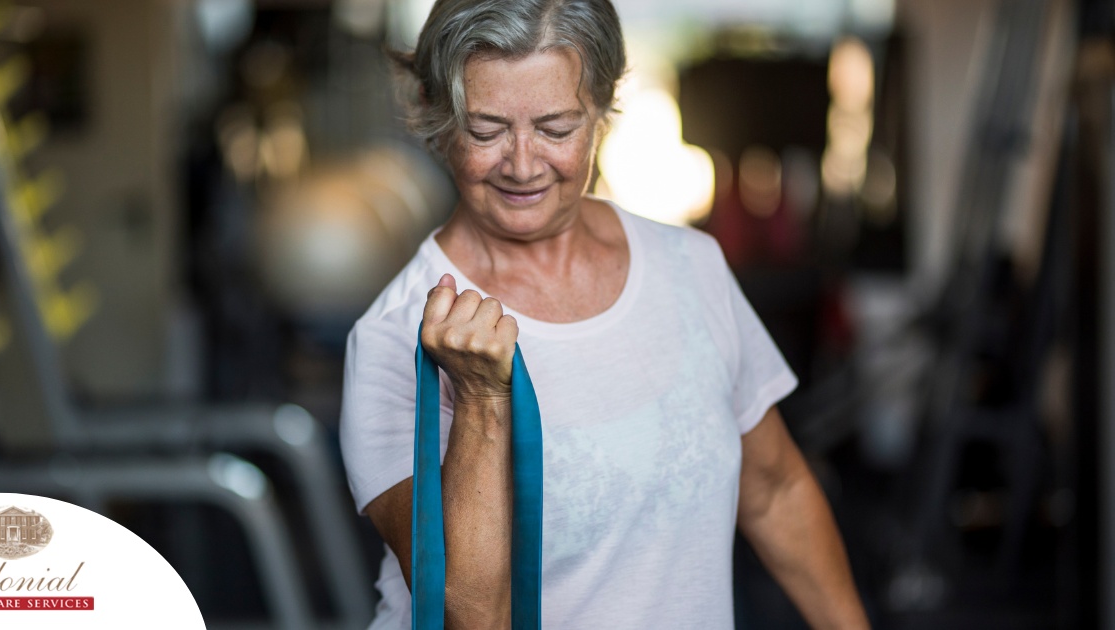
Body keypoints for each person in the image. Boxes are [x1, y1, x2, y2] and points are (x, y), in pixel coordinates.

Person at [339, 0, 870, 627]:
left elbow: (775, 489)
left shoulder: (689, 266)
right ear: (438, 116)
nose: (523, 163)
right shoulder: (394, 336)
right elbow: (472, 614)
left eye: (557, 128)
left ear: (603, 110)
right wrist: (482, 402)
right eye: (485, 130)